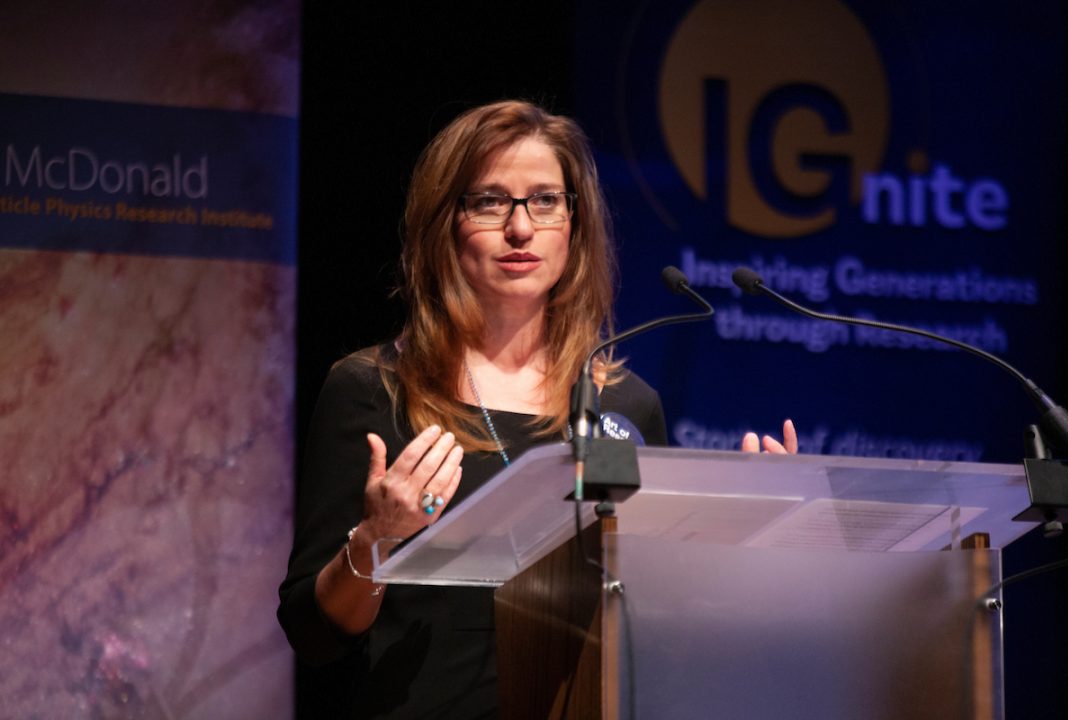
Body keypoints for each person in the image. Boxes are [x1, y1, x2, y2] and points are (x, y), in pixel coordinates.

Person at [278, 100, 796, 719]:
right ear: (444, 222)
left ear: (574, 223)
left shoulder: (625, 405)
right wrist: (377, 539)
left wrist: (746, 542)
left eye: (546, 201)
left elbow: (656, 620)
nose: (521, 229)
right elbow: (314, 634)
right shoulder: (375, 390)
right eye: (491, 201)